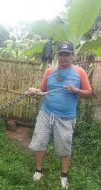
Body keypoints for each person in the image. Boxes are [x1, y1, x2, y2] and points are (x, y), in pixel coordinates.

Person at [28, 41, 92, 189]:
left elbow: (89, 93)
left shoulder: (79, 72)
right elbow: (41, 91)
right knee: (39, 141)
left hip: (66, 117)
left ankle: (64, 175)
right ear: (57, 55)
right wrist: (34, 92)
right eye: (61, 54)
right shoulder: (50, 71)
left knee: (65, 146)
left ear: (72, 56)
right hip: (46, 113)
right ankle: (38, 171)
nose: (63, 57)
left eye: (66, 54)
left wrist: (75, 90)